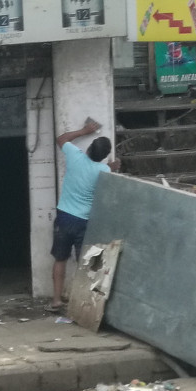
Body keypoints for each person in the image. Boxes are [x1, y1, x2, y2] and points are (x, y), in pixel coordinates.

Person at [50, 118, 115, 313]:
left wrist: (84, 130)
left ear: (89, 149)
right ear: (105, 156)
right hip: (84, 222)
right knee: (86, 264)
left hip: (64, 218)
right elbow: (107, 177)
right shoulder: (104, 170)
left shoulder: (75, 156)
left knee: (59, 259)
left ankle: (56, 300)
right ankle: (85, 306)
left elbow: (60, 139)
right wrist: (114, 167)